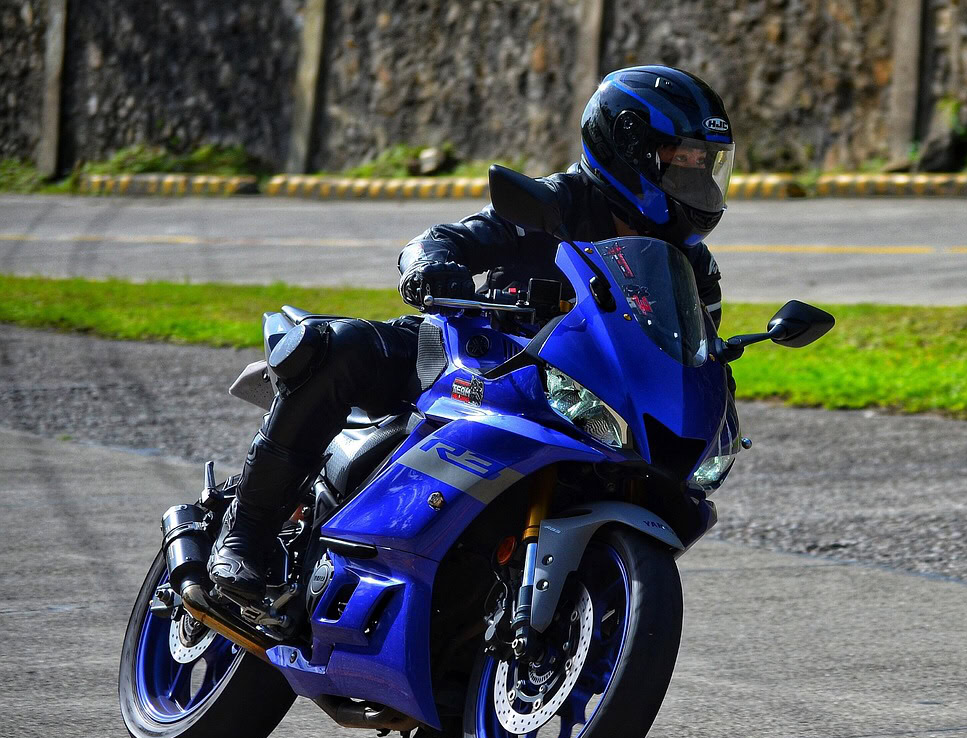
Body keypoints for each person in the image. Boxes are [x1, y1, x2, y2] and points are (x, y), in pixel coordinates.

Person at [208, 65, 735, 599]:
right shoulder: (552, 202)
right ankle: (244, 535)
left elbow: (694, 349)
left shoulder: (692, 265)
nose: (696, 177)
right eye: (682, 159)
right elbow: (443, 239)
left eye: (704, 164)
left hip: (578, 399)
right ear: (630, 145)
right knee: (339, 348)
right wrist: (432, 265)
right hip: (479, 360)